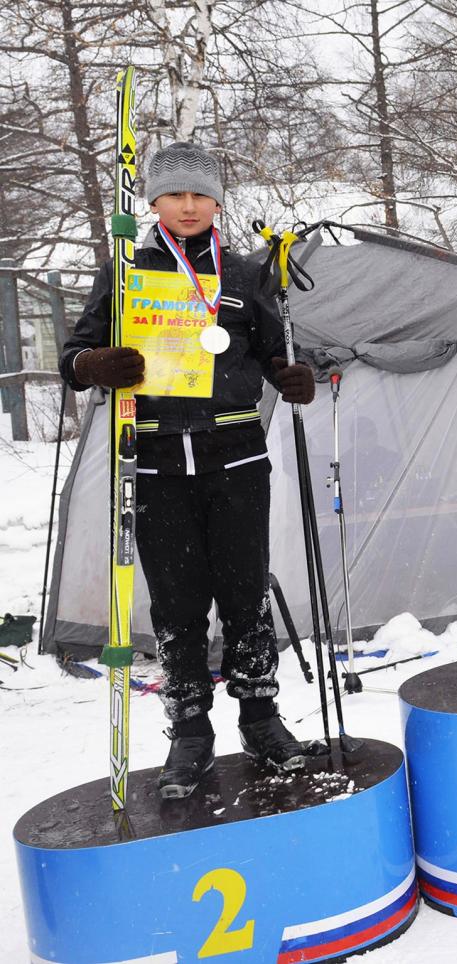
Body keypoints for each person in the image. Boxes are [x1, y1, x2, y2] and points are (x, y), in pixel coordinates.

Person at [59, 142, 316, 798]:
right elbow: (75, 354)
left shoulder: (246, 273)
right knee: (177, 604)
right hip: (156, 464)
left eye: (201, 194)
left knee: (245, 595)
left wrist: (294, 376)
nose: (189, 205)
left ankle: (260, 719)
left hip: (237, 458)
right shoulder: (125, 270)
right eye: (175, 194)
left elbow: (277, 349)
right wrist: (93, 365)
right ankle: (190, 733)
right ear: (153, 201)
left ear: (218, 202)